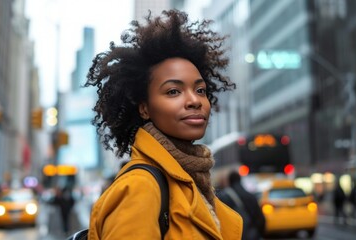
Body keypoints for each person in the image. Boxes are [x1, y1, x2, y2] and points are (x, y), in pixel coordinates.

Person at [85, 9, 243, 239]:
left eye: (200, 90)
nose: (194, 101)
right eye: (173, 91)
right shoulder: (140, 187)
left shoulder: (190, 180)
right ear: (144, 108)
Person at [217, 171, 265, 240]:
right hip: (252, 235)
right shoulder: (251, 196)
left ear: (229, 181)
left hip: (236, 235)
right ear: (240, 179)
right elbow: (261, 220)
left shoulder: (225, 197)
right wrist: (257, 233)